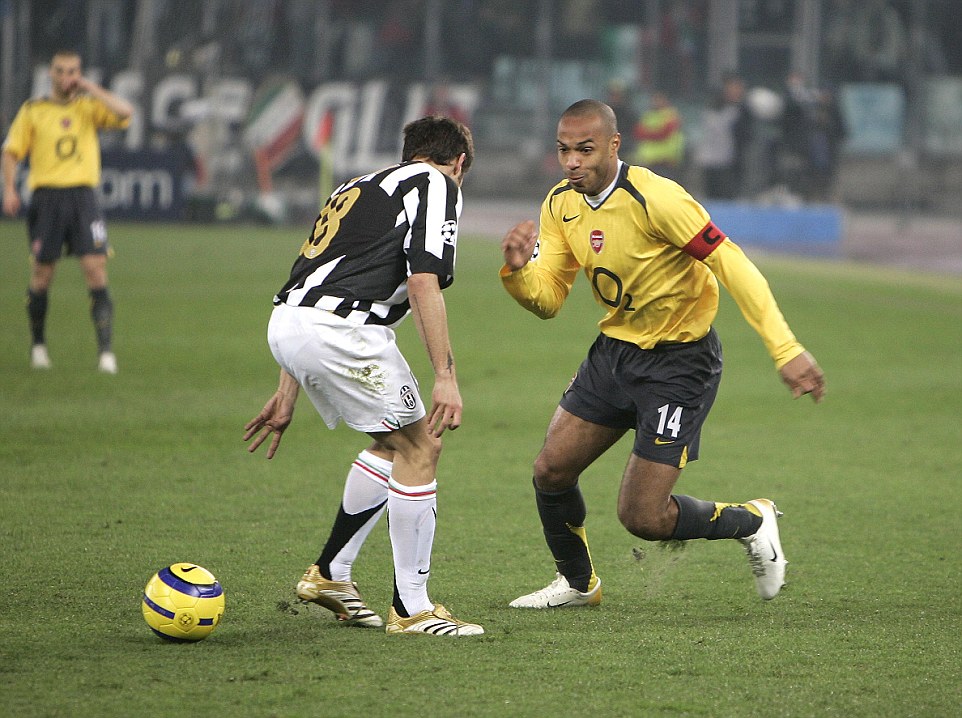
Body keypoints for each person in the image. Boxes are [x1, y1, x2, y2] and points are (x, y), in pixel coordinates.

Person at [499, 99, 825, 609]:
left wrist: (786, 349)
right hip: (614, 355)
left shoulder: (657, 199)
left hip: (680, 363)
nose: (572, 163)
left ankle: (752, 520)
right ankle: (578, 584)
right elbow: (548, 300)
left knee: (644, 518)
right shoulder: (560, 204)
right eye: (563, 151)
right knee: (551, 471)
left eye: (584, 150)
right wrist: (520, 272)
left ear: (613, 145)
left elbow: (732, 264)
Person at [243, 116, 483, 637]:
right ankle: (411, 608)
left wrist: (288, 388)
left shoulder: (359, 185)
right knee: (422, 449)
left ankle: (331, 573)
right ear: (460, 162)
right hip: (341, 331)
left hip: (291, 324)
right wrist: (445, 374)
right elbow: (423, 282)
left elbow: (305, 280)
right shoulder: (437, 184)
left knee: (391, 444)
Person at [2, 50, 133, 373]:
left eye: (73, 71)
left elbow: (125, 111)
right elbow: (11, 151)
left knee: (95, 268)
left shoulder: (88, 107)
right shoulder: (34, 110)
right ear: (51, 74)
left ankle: (105, 353)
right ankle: (38, 346)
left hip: (83, 198)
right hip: (46, 198)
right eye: (61, 71)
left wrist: (89, 86)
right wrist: (9, 187)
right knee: (43, 274)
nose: (67, 77)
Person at [632, 91, 685, 183]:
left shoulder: (670, 115)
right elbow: (638, 133)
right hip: (649, 160)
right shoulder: (648, 115)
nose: (656, 102)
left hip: (666, 160)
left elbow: (663, 134)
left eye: (659, 99)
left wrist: (649, 133)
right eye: (654, 99)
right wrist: (653, 133)